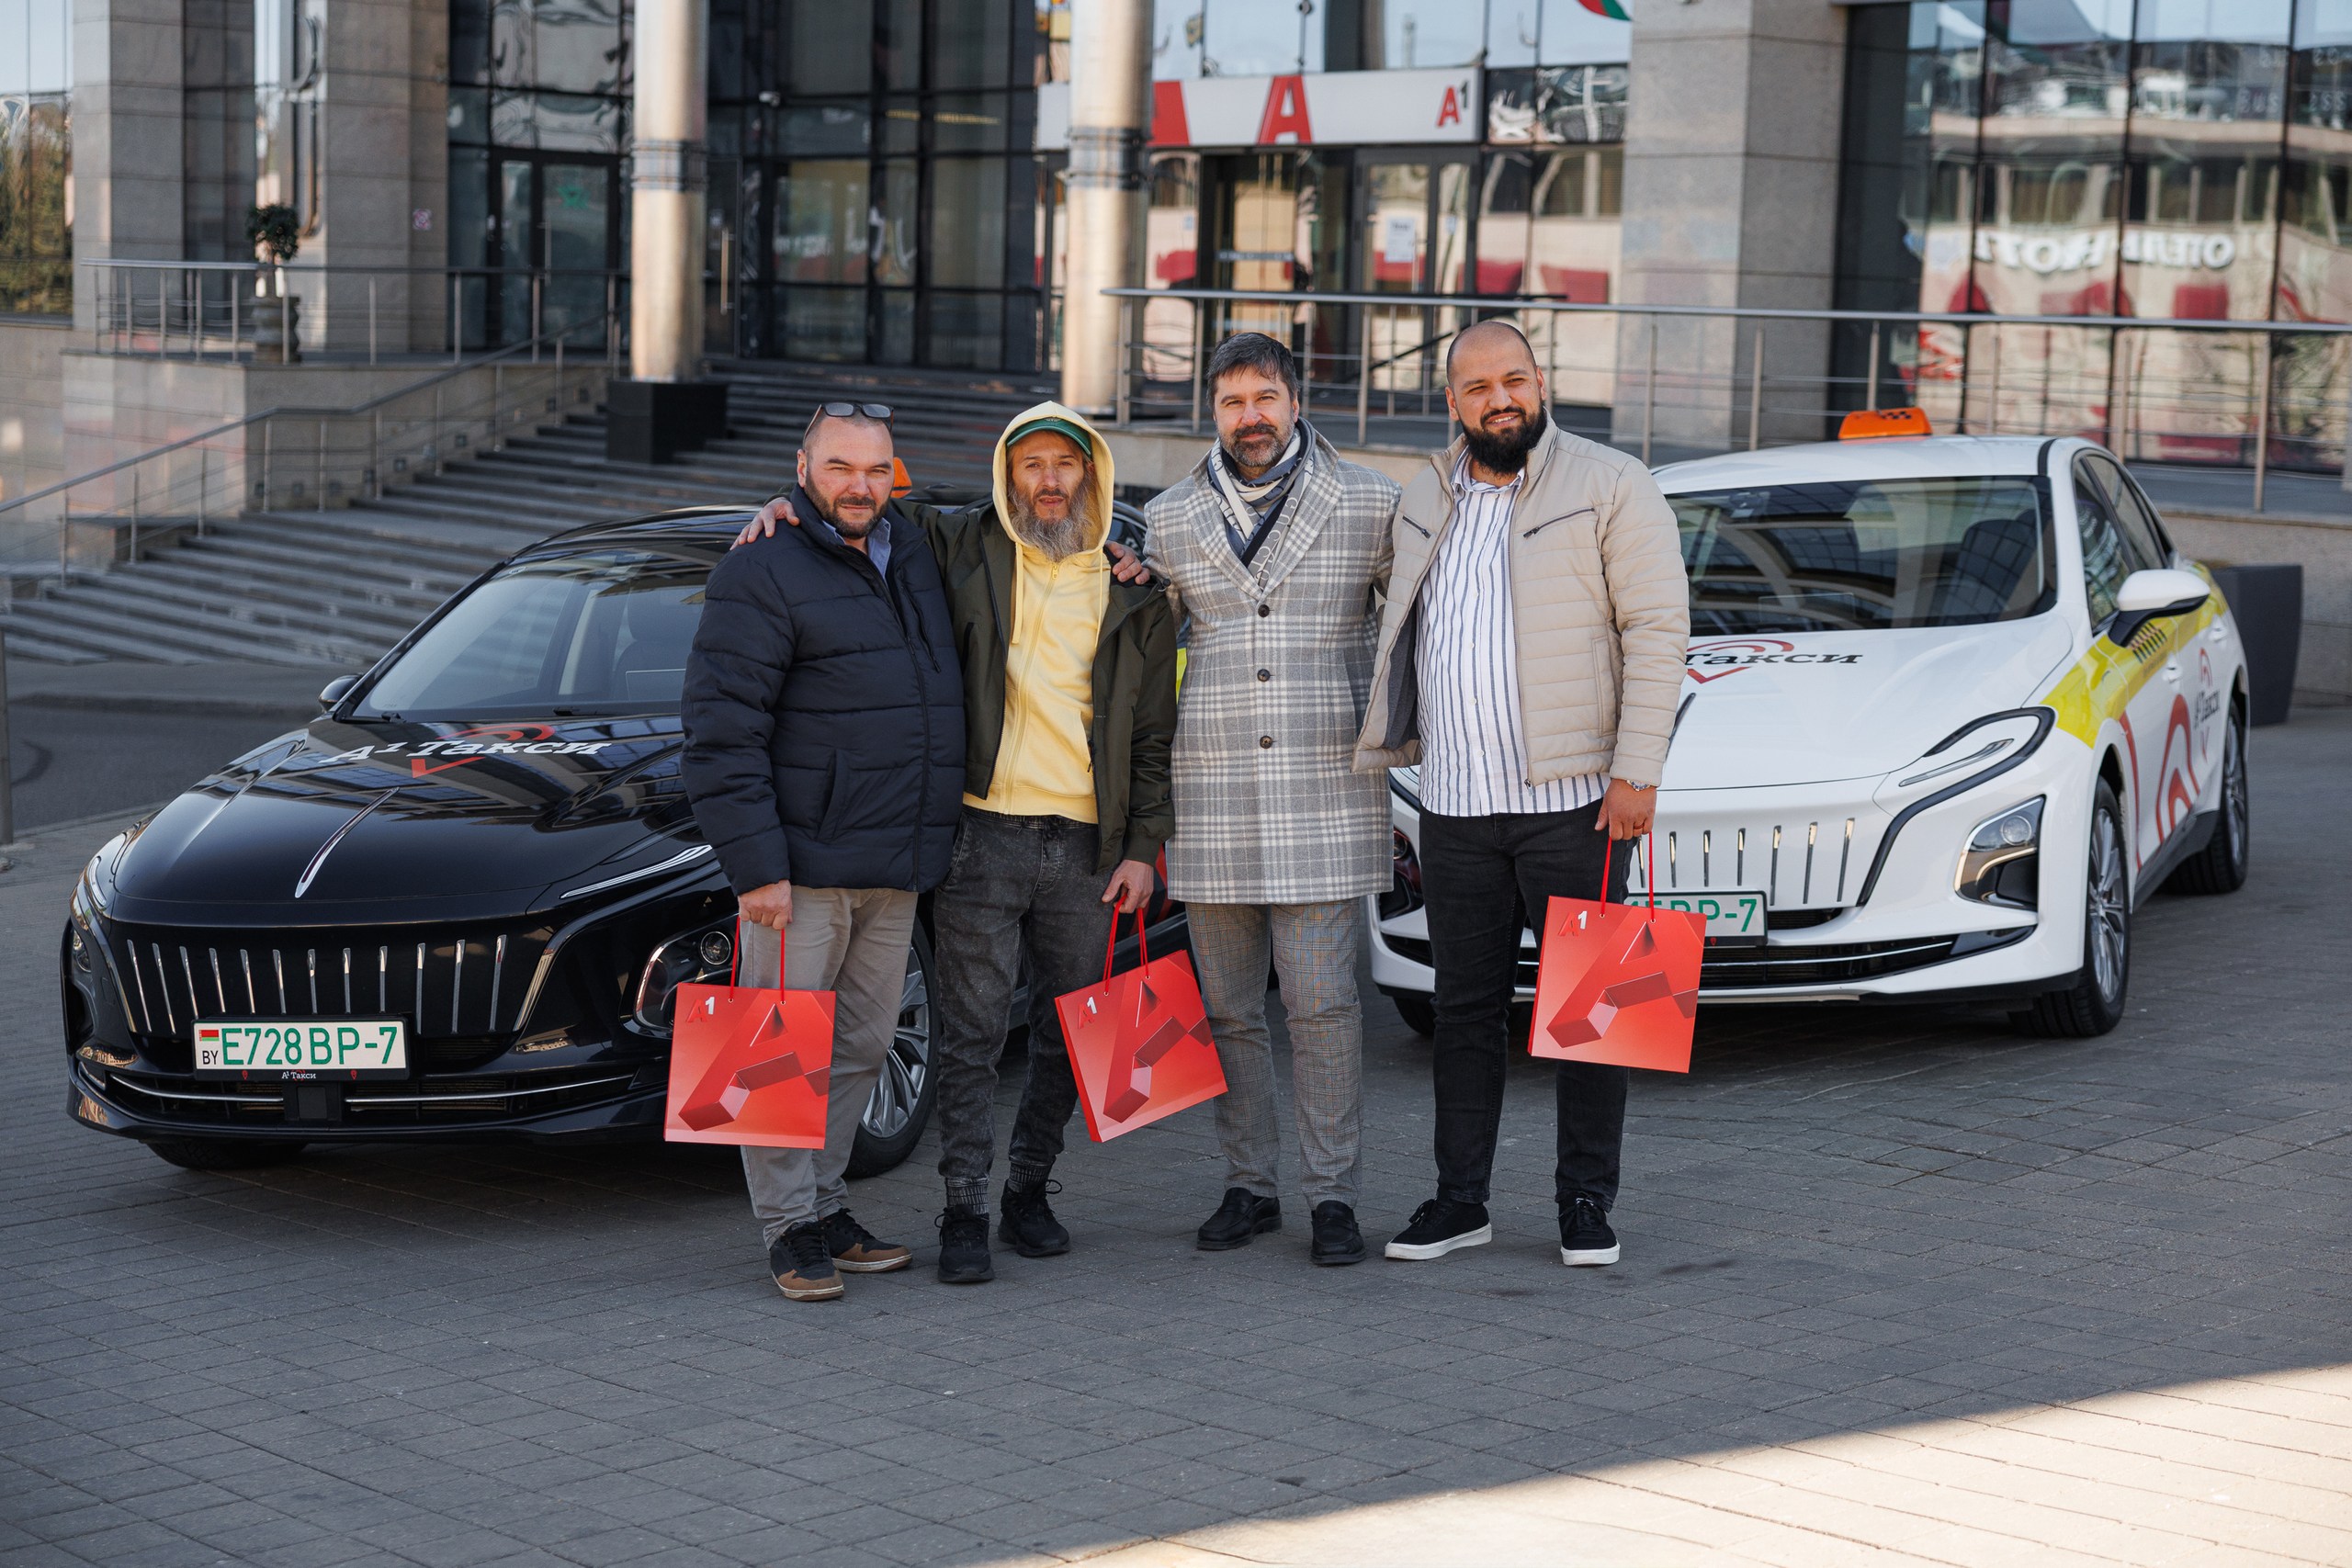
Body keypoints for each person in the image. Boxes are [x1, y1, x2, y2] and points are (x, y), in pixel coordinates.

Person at [735, 403, 1178, 1285]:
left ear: (1092, 472)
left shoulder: (1134, 591)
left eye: (1065, 463)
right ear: (1006, 474)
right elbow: (850, 504)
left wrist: (1142, 844)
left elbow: (1153, 737)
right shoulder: (958, 547)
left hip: (1083, 848)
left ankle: (1027, 1189)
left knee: (1062, 1032)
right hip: (978, 834)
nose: (1047, 480)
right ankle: (959, 1205)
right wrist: (781, 503)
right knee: (956, 1036)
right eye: (1030, 464)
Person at [1354, 320, 1690, 1269]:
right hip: (1455, 805)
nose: (1498, 399)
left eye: (1513, 380)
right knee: (1462, 1013)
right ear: (1452, 403)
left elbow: (1658, 628)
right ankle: (1460, 1201)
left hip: (1577, 805)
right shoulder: (1426, 493)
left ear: (1541, 383)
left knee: (1593, 1013)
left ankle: (1585, 1201)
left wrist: (1637, 773)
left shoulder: (1612, 482)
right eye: (1477, 387)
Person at [683, 406, 966, 1303]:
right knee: (775, 1048)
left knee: (864, 1045)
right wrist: (755, 866)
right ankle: (786, 1226)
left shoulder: (912, 549)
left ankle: (827, 1202)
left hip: (893, 859)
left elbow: (1020, 531)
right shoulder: (761, 566)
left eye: (877, 470)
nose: (859, 485)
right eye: (840, 466)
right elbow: (721, 729)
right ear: (802, 467)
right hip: (799, 867)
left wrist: (1121, 554)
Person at [1140, 333, 1399, 1267]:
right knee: (1228, 1011)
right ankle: (1248, 1184)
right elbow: (1143, 660)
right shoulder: (1167, 517)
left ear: (1295, 400)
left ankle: (1332, 1196)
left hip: (1325, 788)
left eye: (1264, 398)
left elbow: (1420, 627)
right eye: (1231, 402)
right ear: (1211, 412)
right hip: (1208, 796)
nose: (1249, 418)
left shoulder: (1371, 500)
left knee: (1324, 1007)